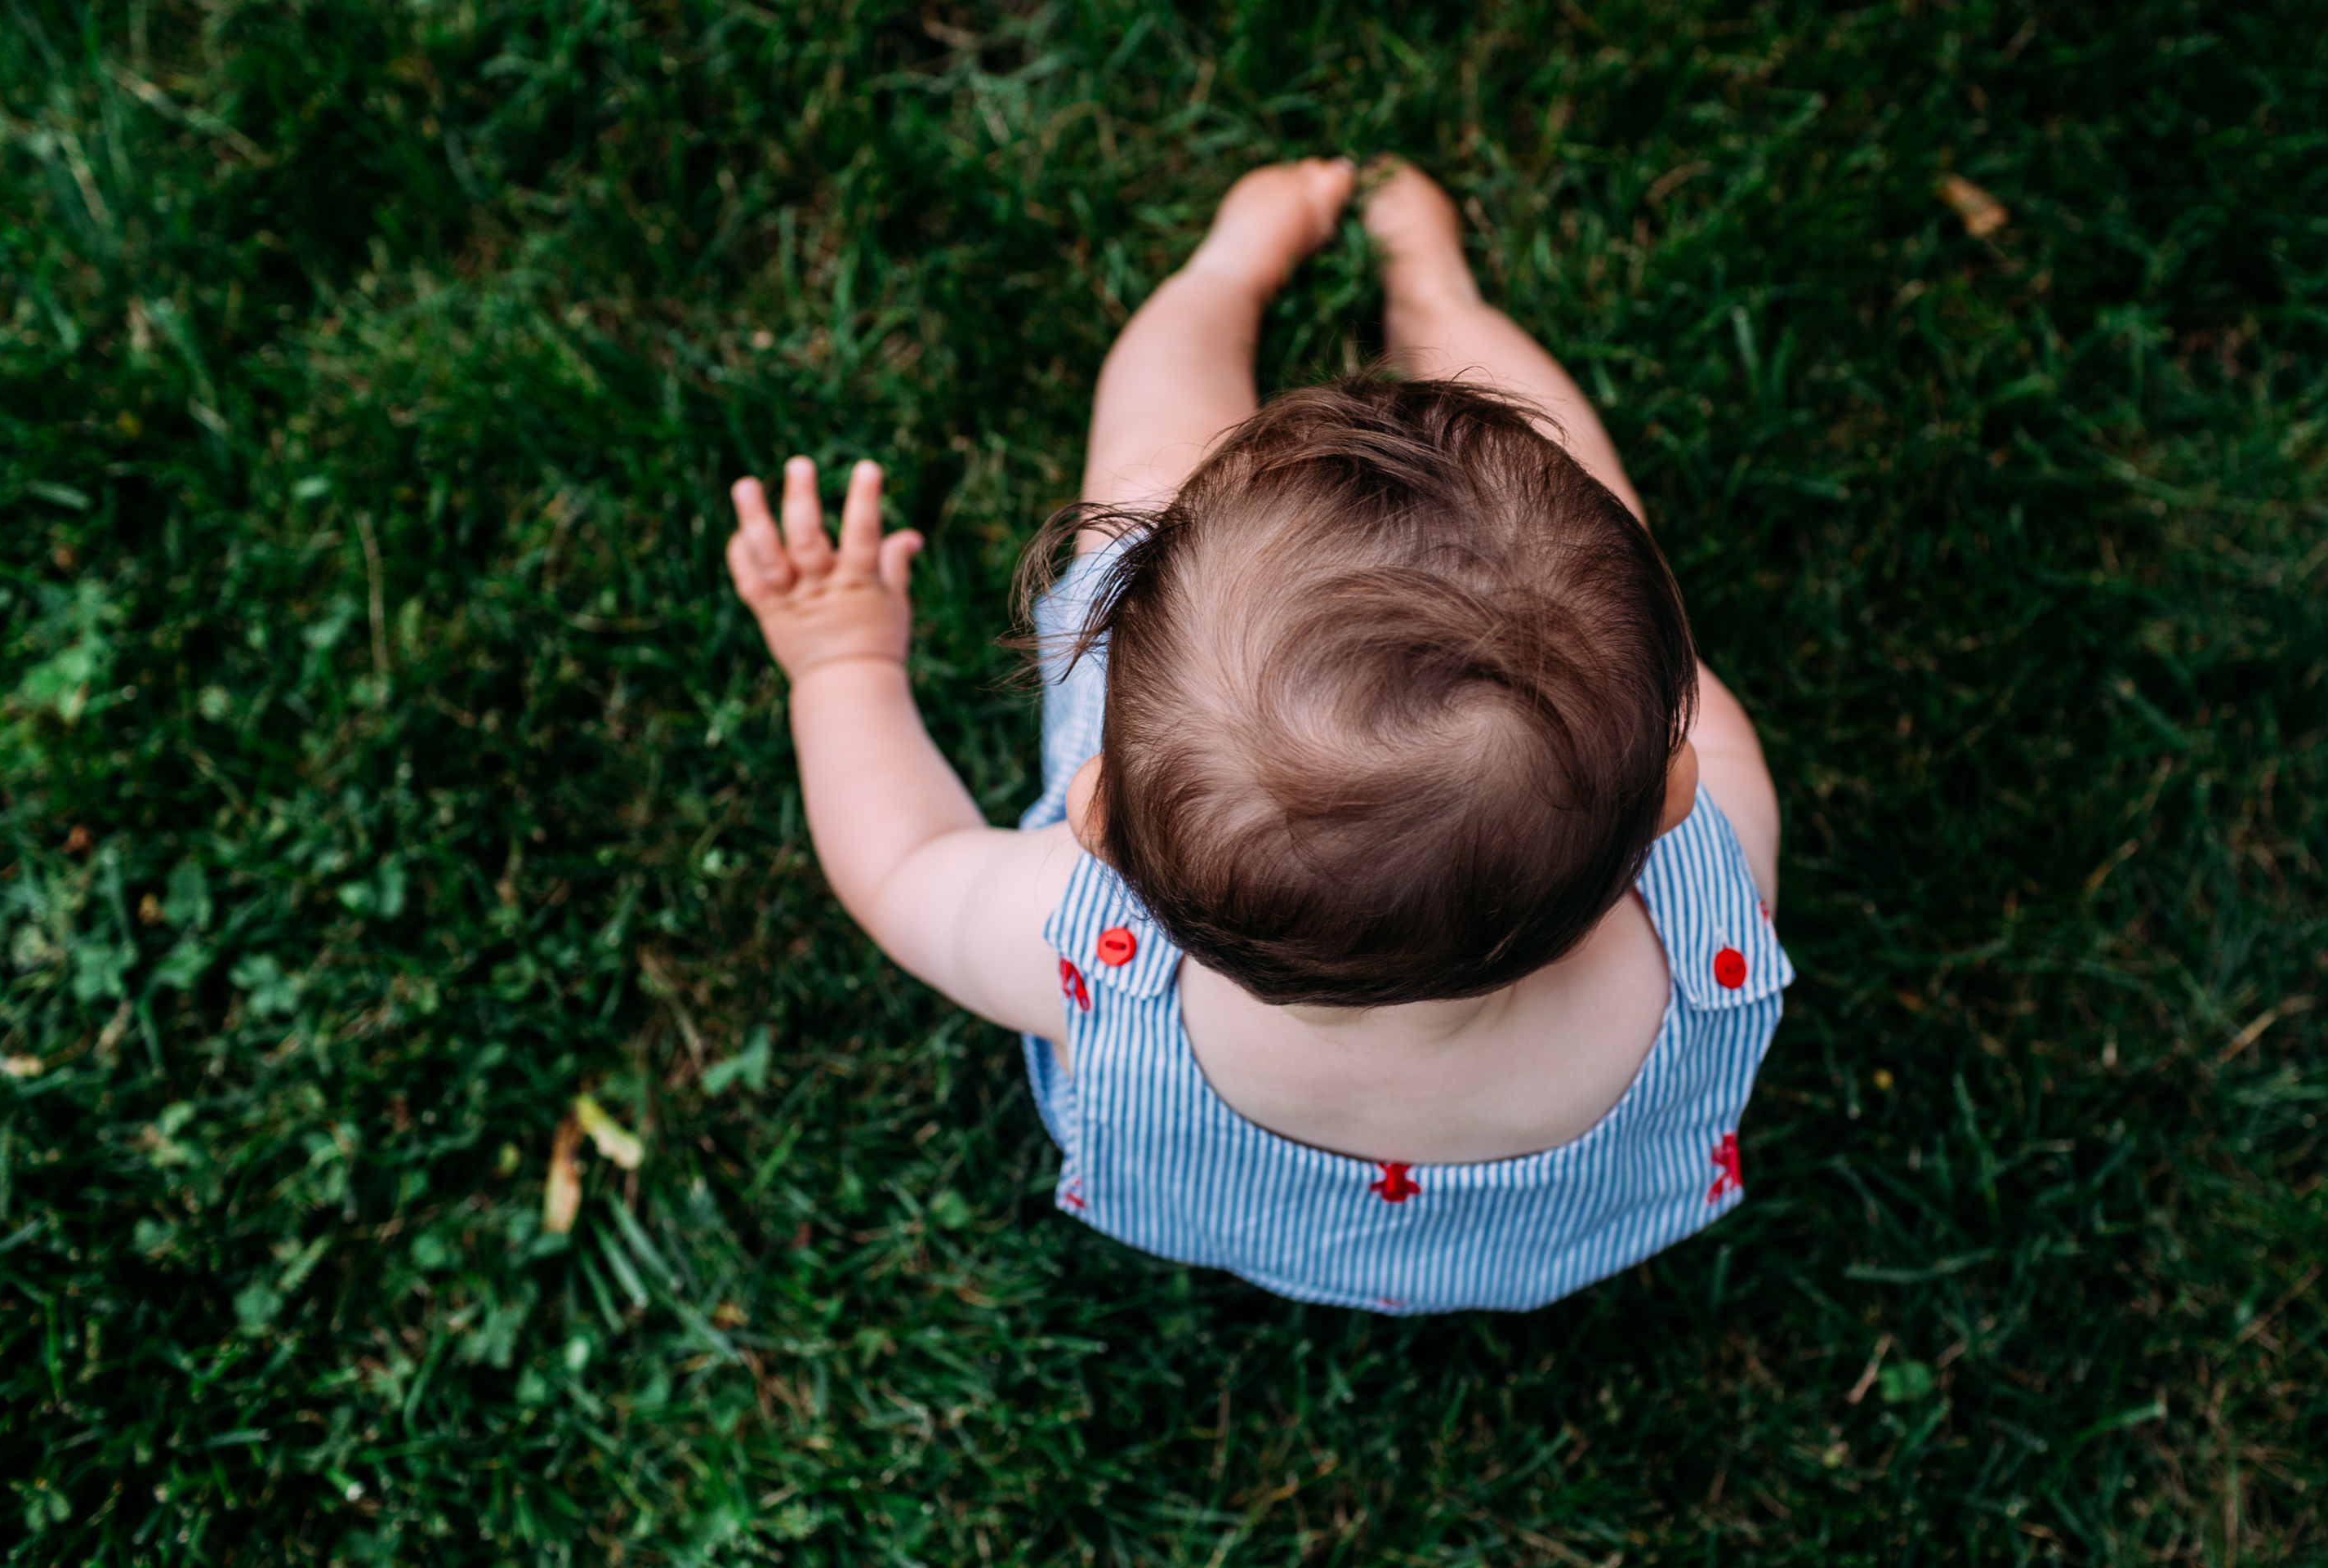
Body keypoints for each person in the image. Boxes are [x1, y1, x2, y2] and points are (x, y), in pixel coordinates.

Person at [724, 158, 1790, 1313]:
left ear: (1101, 824)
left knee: (1150, 460)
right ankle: (1441, 305)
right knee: (1600, 564)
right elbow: (1697, 729)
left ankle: (1227, 274)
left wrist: (843, 665)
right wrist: (1620, 671)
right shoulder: (1705, 927)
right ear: (1669, 794)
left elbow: (902, 868)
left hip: (1256, 1217)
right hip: (1555, 1239)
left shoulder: (1089, 961)